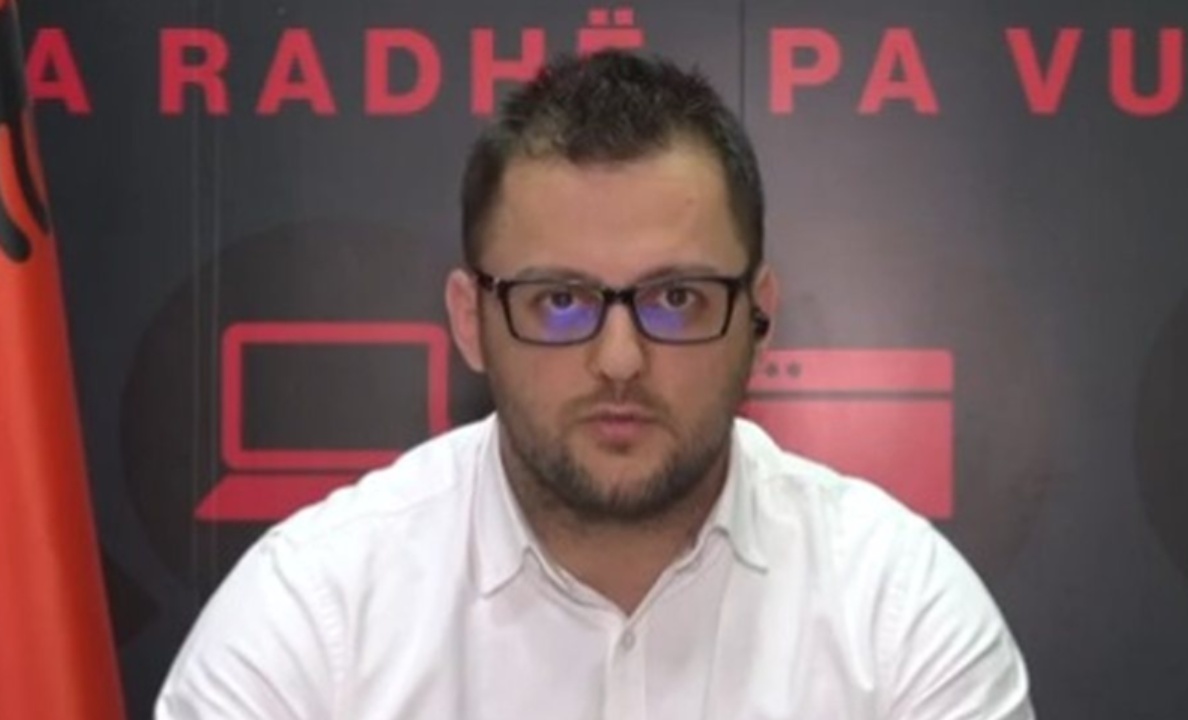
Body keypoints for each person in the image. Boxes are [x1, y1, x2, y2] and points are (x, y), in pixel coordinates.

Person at [155, 50, 1035, 719]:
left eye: (677, 298)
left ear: (758, 316)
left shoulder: (897, 610)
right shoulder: (314, 618)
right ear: (470, 320)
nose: (619, 358)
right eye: (560, 300)